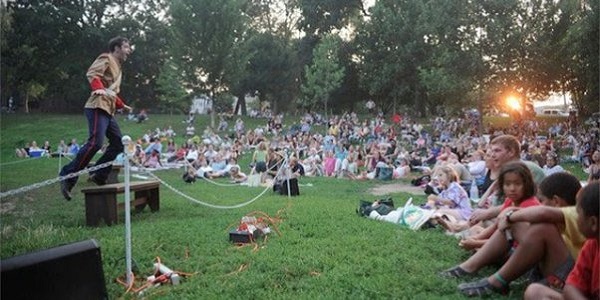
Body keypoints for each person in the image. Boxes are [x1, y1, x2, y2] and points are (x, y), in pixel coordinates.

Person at [450, 172, 584, 297]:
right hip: (549, 267)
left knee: (542, 228)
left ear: (556, 201)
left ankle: (497, 281)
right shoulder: (559, 217)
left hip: (567, 277)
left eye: (542, 200)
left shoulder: (578, 214)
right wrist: (510, 212)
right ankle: (468, 267)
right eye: (507, 184)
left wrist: (509, 215)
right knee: (518, 223)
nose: (511, 189)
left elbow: (542, 213)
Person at [59, 36, 133, 200]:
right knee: (95, 143)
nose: (129, 50)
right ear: (117, 48)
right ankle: (67, 176)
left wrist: (121, 104)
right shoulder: (106, 57)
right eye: (126, 47)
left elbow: (111, 91)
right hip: (97, 106)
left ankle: (99, 173)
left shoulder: (119, 68)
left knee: (118, 144)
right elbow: (93, 74)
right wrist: (97, 88)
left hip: (108, 109)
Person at [523, 181, 599, 300]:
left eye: (578, 214)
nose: (576, 218)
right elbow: (571, 287)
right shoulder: (592, 245)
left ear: (593, 222)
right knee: (535, 291)